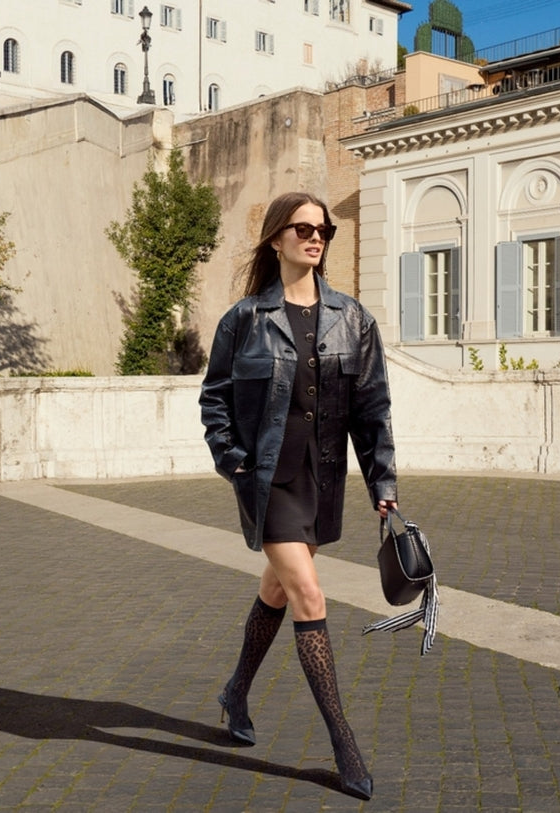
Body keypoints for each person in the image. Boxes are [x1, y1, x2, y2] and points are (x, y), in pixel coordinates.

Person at [199, 191, 397, 801]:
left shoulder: (352, 318)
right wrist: (232, 462)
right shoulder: (244, 319)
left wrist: (383, 482)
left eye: (324, 229)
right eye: (304, 228)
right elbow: (216, 400)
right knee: (309, 593)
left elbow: (371, 409)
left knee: (278, 586)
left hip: (324, 478)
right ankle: (343, 741)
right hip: (268, 480)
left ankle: (235, 691)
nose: (317, 237)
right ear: (276, 239)